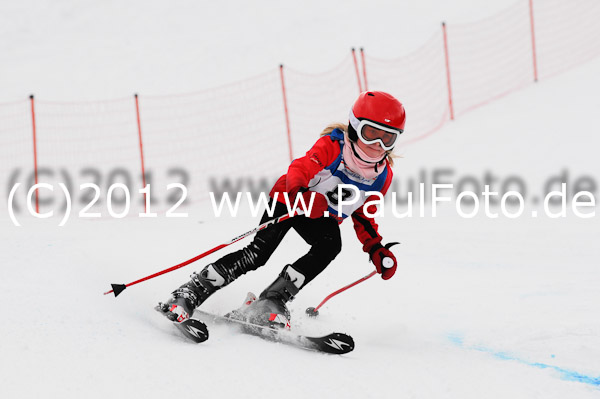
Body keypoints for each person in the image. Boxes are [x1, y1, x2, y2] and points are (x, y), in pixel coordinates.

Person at [158, 91, 406, 328]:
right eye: (371, 133)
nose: (377, 144)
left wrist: (375, 248)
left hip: (320, 215)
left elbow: (363, 216)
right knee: (257, 254)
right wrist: (300, 194)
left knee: (330, 246)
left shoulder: (381, 178)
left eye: (387, 138)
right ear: (353, 127)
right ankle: (190, 292)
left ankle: (272, 300)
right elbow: (299, 168)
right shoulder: (333, 148)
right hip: (289, 199)